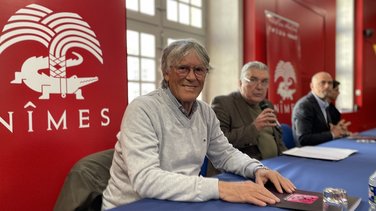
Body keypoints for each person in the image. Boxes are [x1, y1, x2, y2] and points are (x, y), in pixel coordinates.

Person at [101, 39, 295, 210]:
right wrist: (221, 188)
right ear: (166, 73)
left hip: (184, 201)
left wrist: (257, 169)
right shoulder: (142, 109)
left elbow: (225, 154)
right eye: (183, 68)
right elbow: (145, 180)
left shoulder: (205, 111)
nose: (192, 77)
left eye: (199, 70)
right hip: (135, 205)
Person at [211, 61, 287, 161]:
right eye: (253, 80)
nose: (259, 87)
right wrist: (254, 128)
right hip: (241, 169)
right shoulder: (223, 104)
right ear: (240, 83)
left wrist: (288, 158)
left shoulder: (267, 105)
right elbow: (218, 143)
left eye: (264, 81)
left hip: (276, 165)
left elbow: (278, 140)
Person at [292, 72, 350, 146]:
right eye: (323, 82)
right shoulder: (304, 105)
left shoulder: (324, 103)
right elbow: (303, 139)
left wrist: (337, 129)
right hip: (308, 153)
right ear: (312, 86)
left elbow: (320, 131)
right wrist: (332, 134)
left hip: (323, 148)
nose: (327, 86)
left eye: (330, 83)